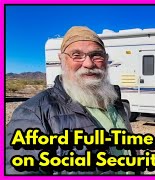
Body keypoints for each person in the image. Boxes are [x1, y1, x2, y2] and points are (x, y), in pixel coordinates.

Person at [6, 26, 135, 175]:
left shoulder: (114, 102)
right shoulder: (33, 114)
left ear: (105, 60)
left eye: (96, 55)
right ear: (61, 60)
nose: (88, 64)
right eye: (77, 55)